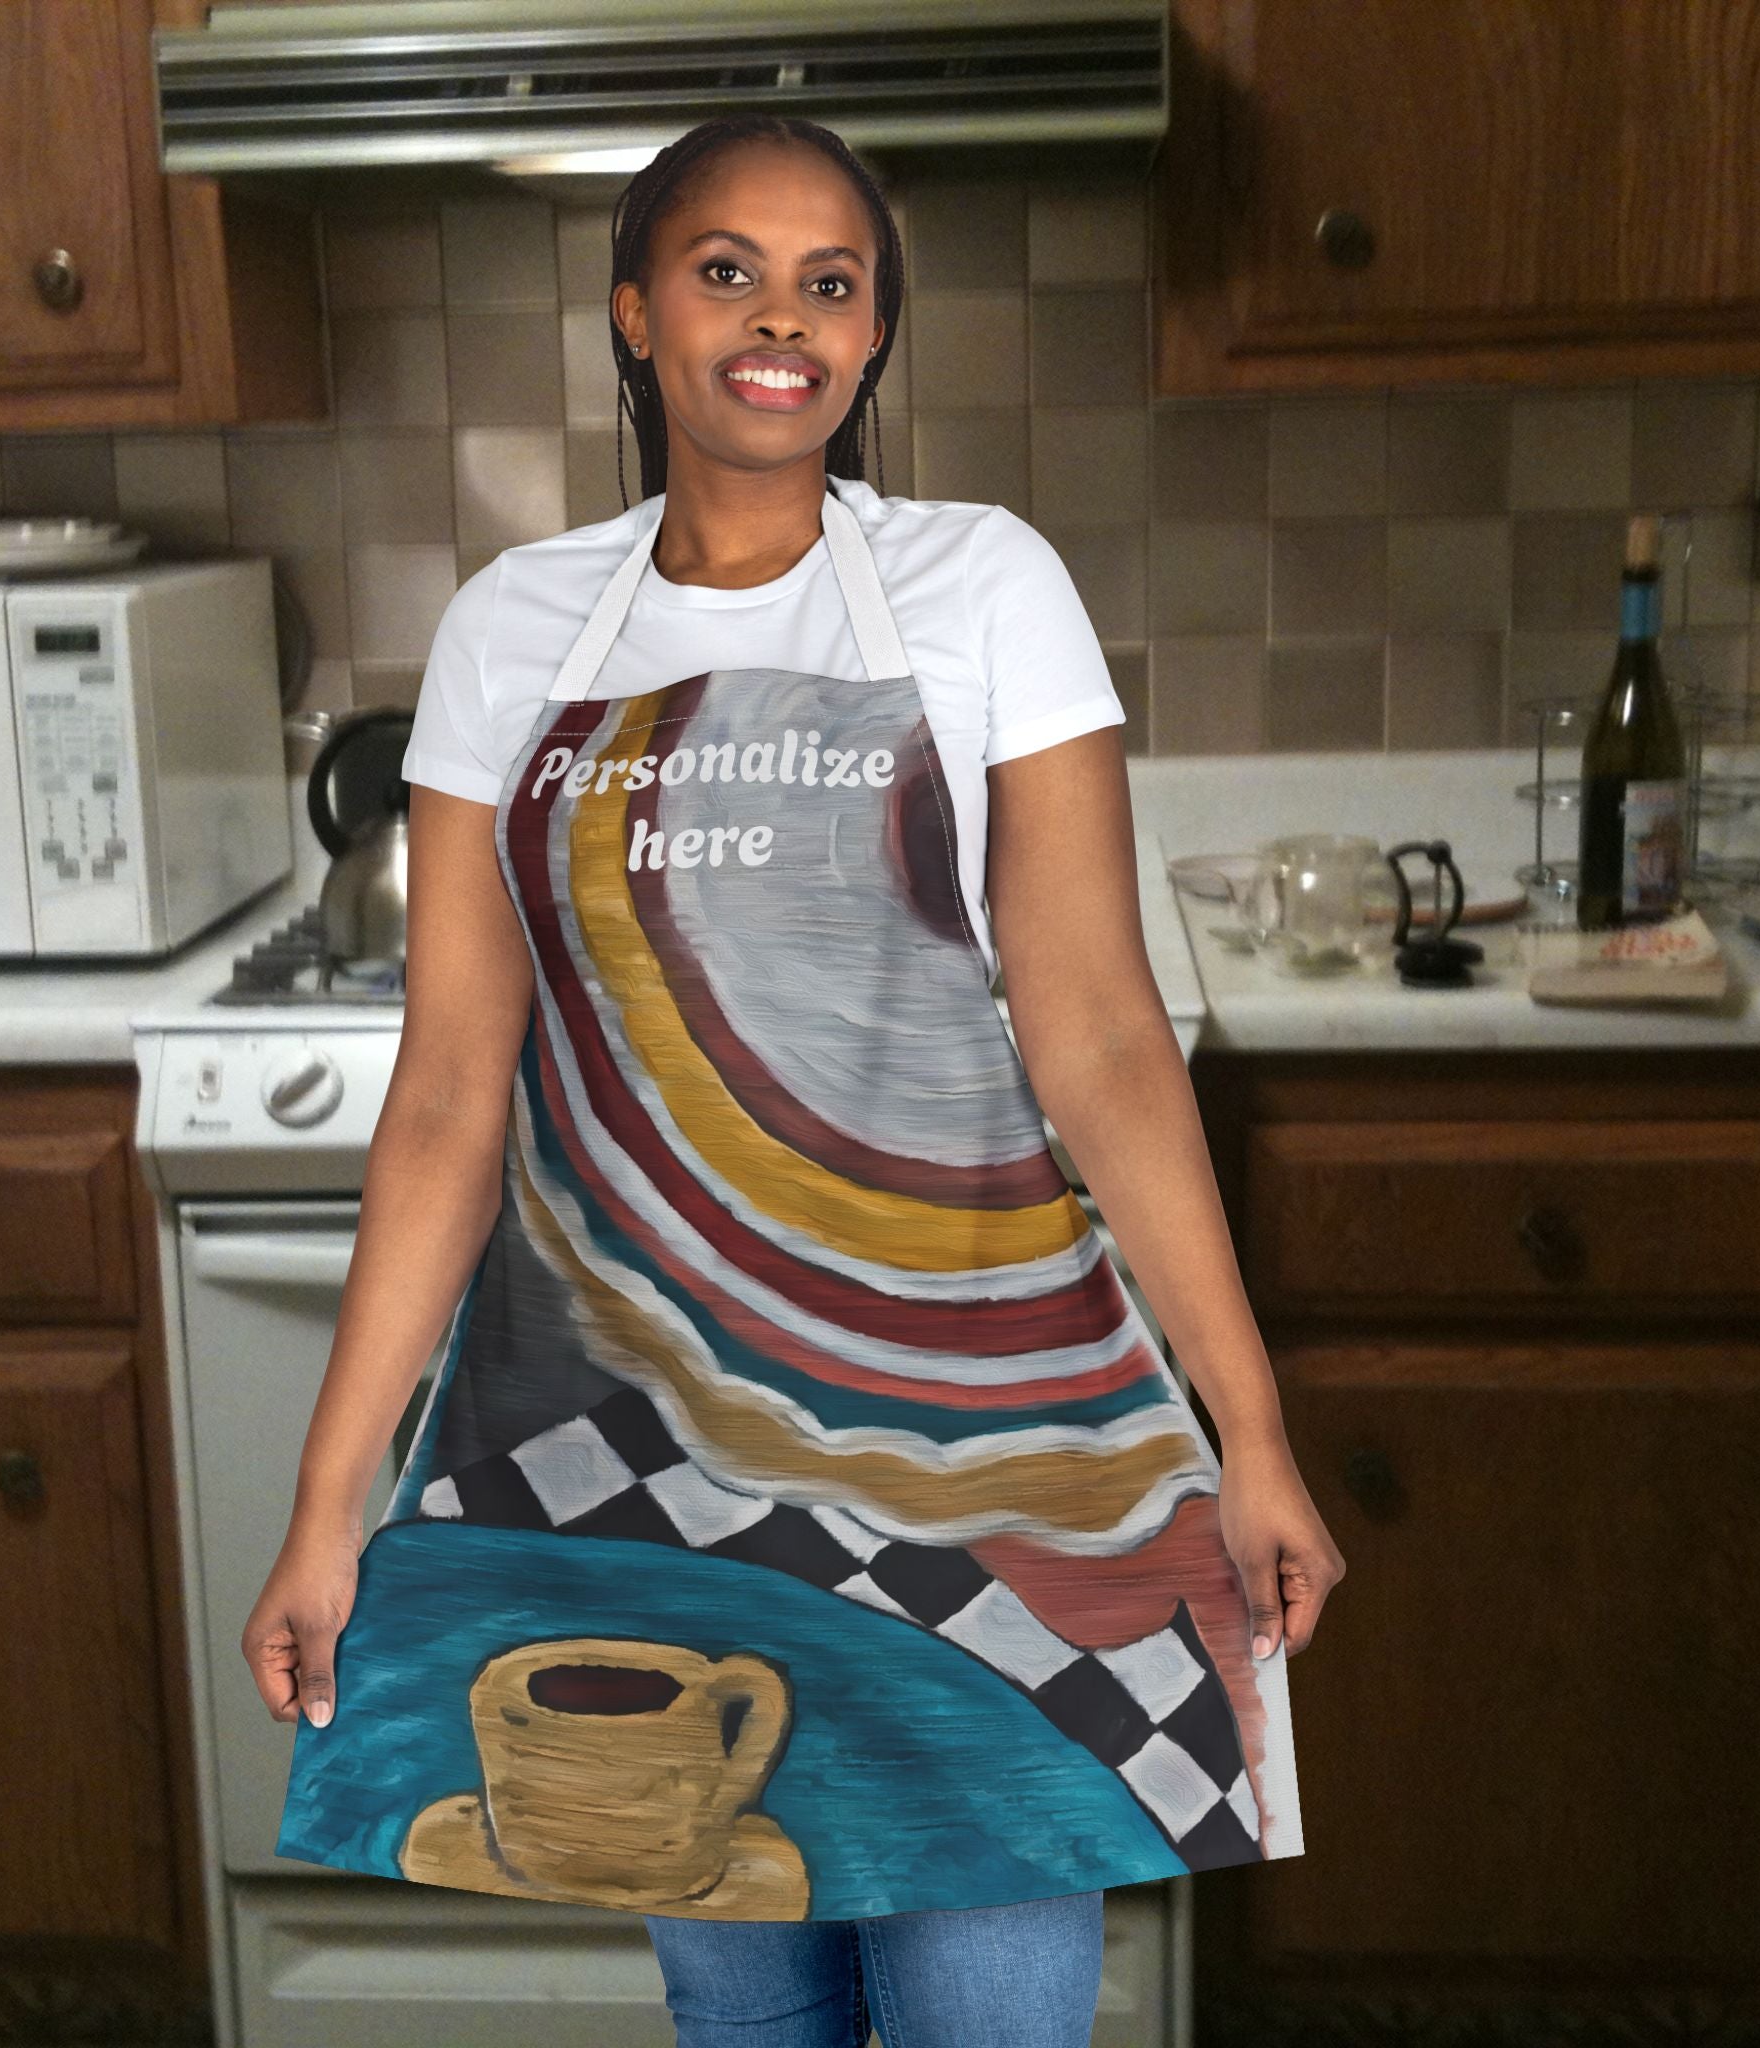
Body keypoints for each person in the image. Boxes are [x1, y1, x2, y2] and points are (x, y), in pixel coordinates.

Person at [244, 111, 1345, 2048]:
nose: (782, 319)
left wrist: (1242, 1425)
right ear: (634, 318)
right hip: (634, 1453)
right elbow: (447, 1097)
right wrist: (331, 1504)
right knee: (745, 2019)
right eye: (726, 269)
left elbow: (1097, 1034)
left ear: (873, 338)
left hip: (986, 1435)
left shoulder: (981, 584)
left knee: (982, 2017)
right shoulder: (516, 629)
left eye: (832, 283)